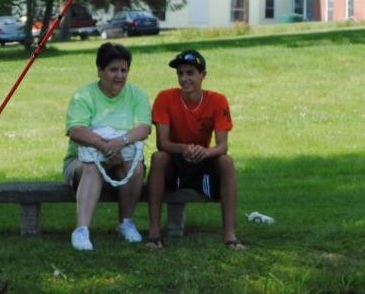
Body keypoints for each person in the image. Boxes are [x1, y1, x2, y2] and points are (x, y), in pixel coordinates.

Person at [145, 49, 243, 250]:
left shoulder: (217, 100)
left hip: (203, 159)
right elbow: (162, 143)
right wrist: (183, 148)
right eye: (180, 73)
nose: (184, 79)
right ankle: (154, 232)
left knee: (226, 161)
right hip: (175, 160)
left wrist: (205, 152)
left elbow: (223, 146)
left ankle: (230, 235)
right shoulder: (165, 97)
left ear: (203, 75)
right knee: (158, 158)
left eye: (190, 73)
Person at [63, 42, 151, 251]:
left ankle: (126, 223)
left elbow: (143, 128)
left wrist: (118, 145)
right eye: (113, 70)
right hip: (81, 161)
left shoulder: (137, 95)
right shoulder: (84, 95)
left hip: (123, 155)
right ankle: (81, 230)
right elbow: (75, 130)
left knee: (136, 167)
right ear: (100, 71)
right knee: (92, 167)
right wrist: (104, 147)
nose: (119, 75)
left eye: (123, 70)